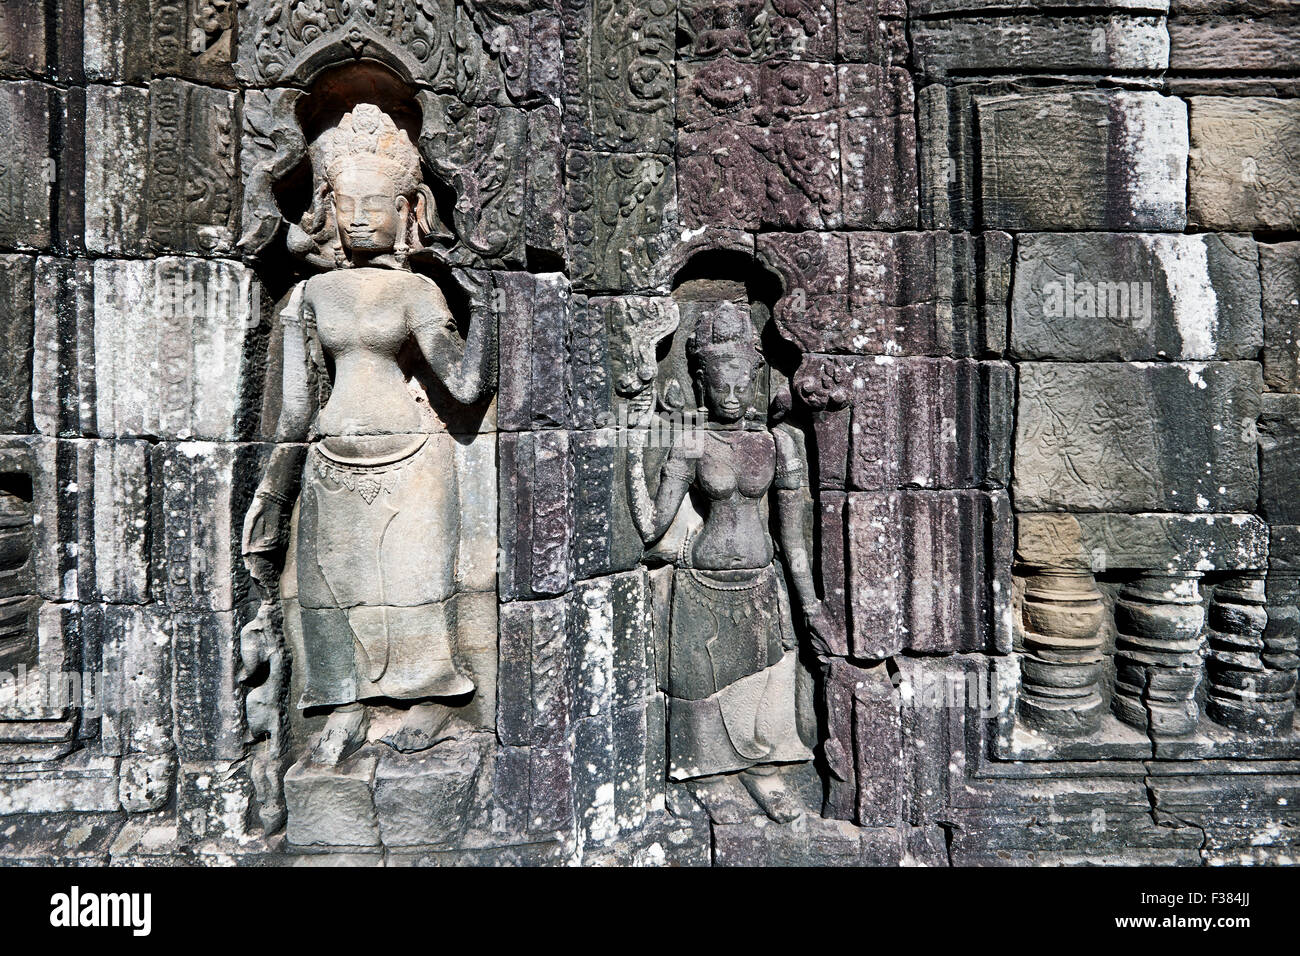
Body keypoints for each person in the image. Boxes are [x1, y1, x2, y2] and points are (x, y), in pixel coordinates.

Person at [240, 104, 494, 767]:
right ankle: (344, 706)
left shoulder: (415, 293)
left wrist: (487, 304)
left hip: (413, 466)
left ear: (409, 211)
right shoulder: (309, 298)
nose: (358, 216)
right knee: (329, 591)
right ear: (324, 206)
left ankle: (430, 701)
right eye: (345, 201)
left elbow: (465, 387)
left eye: (375, 202)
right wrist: (275, 486)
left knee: (413, 592)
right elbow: (296, 411)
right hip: (330, 460)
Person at [625, 299, 829, 823]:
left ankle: (762, 772)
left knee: (769, 687)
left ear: (756, 377)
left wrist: (810, 604)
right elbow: (651, 526)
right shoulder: (690, 444)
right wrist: (632, 444)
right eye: (721, 388)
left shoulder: (778, 445)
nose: (733, 398)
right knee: (702, 690)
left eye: (742, 386)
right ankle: (710, 776)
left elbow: (793, 538)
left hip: (761, 582)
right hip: (703, 584)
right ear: (702, 383)